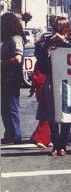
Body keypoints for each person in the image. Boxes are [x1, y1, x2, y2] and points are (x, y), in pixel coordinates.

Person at [35, 17, 71, 156]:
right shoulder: (48, 42)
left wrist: (64, 41)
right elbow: (40, 62)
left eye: (59, 28)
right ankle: (55, 144)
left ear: (65, 28)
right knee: (51, 113)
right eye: (54, 27)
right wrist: (40, 44)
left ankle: (63, 144)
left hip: (68, 80)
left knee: (66, 113)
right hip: (51, 79)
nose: (56, 30)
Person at [1, 13, 26, 145]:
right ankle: (9, 134)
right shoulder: (7, 39)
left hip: (12, 77)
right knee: (4, 107)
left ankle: (15, 135)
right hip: (5, 77)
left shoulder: (16, 39)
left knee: (11, 106)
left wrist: (2, 63)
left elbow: (18, 58)